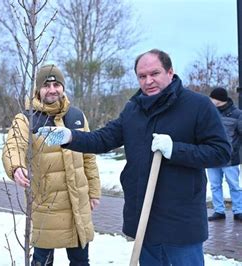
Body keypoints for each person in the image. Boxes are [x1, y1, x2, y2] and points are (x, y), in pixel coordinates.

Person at [38, 49, 231, 265]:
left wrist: (174, 150)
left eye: (154, 73)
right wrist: (70, 137)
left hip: (181, 224)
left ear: (170, 72)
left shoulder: (197, 106)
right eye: (142, 76)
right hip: (145, 221)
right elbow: (104, 139)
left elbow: (221, 152)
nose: (148, 81)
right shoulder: (134, 109)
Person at [1, 64, 101, 265]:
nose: (53, 89)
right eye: (47, 85)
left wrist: (94, 191)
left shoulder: (77, 117)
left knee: (81, 262)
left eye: (57, 84)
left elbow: (89, 157)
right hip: (45, 205)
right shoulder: (27, 119)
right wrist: (16, 166)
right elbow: (13, 146)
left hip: (77, 205)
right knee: (42, 262)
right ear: (38, 89)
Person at [207, 87, 242, 222]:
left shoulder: (237, 114)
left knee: (234, 185)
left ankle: (239, 211)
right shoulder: (210, 112)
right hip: (212, 156)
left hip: (230, 158)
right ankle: (219, 211)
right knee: (215, 185)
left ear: (218, 99)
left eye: (212, 98)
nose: (210, 100)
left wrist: (234, 149)